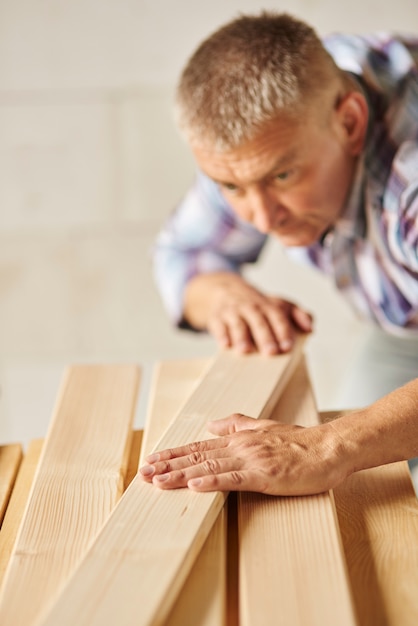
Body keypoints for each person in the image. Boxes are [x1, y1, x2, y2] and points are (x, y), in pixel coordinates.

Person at [140, 12, 418, 495]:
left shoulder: (409, 181)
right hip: (403, 325)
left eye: (282, 177)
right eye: (232, 186)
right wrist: (222, 296)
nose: (262, 219)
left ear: (350, 123)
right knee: (361, 486)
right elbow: (184, 253)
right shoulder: (270, 130)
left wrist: (327, 447)